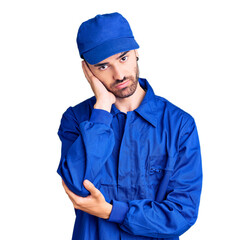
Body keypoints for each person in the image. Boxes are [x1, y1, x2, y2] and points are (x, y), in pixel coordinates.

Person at [57, 12, 203, 240]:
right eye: (103, 66)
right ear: (88, 70)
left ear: (136, 53)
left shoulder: (179, 125)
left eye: (123, 58)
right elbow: (77, 188)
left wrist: (110, 212)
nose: (119, 74)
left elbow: (182, 213)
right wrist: (102, 109)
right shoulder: (76, 120)